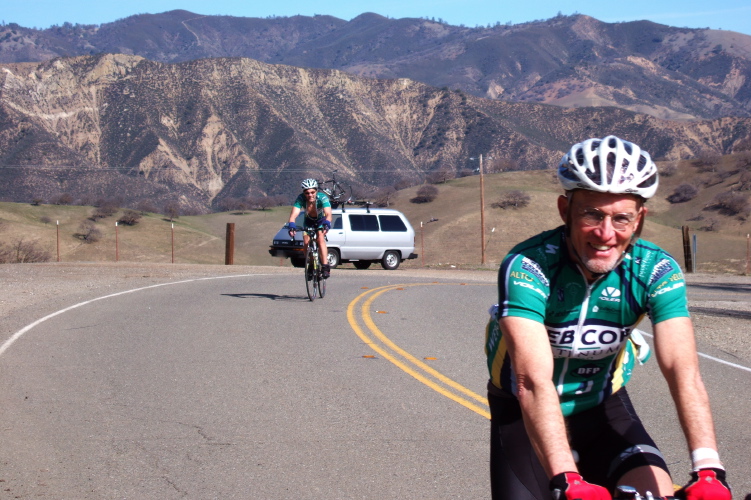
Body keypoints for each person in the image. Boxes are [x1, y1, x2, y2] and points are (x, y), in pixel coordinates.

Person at [485, 136, 732, 500]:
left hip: (602, 405)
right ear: (564, 210)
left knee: (656, 492)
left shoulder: (655, 269)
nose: (605, 234)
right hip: (523, 414)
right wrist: (568, 480)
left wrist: (709, 469)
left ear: (640, 220)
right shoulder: (528, 266)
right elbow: (532, 382)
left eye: (621, 218)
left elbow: (683, 369)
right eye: (591, 214)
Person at [286, 178, 332, 278]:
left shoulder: (322, 197)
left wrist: (327, 223)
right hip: (308, 221)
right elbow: (294, 215)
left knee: (320, 239)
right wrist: (292, 225)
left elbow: (328, 213)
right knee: (306, 242)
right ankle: (310, 264)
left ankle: (325, 266)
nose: (310, 195)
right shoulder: (301, 198)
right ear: (304, 193)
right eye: (307, 193)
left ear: (316, 191)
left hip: (320, 221)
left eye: (312, 192)